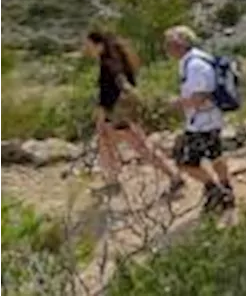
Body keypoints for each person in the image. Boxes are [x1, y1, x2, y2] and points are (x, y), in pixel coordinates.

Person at [85, 31, 184, 198]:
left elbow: (108, 91)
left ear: (98, 45)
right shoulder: (118, 60)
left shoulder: (108, 64)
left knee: (139, 146)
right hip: (125, 111)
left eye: (89, 45)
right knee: (109, 142)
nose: (86, 49)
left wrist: (101, 113)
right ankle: (112, 180)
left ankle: (173, 176)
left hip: (117, 112)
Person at [164, 26, 234, 213]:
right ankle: (226, 191)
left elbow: (199, 97)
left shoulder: (194, 65)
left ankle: (215, 190)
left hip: (202, 122)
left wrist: (176, 104)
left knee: (184, 161)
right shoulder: (198, 59)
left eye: (169, 44)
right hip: (210, 119)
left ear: (180, 44)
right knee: (215, 156)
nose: (167, 49)